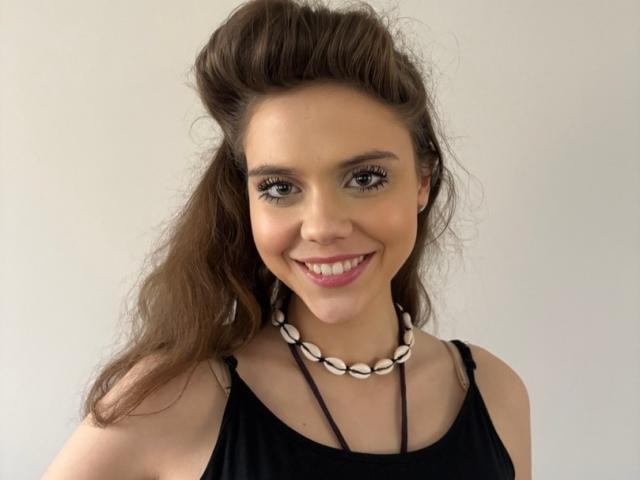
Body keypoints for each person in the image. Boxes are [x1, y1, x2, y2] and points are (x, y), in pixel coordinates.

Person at [42, 0, 531, 478]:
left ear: (423, 182)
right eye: (280, 188)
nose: (321, 226)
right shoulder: (176, 399)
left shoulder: (495, 395)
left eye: (365, 178)